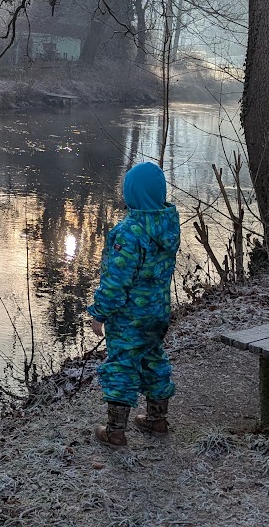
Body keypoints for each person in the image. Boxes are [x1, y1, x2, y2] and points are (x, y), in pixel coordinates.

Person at [87, 161, 180, 448]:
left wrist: (99, 313)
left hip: (129, 317)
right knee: (154, 360)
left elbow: (116, 281)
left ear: (132, 194)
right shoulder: (169, 225)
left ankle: (115, 430)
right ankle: (156, 419)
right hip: (158, 313)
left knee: (121, 365)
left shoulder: (128, 233)